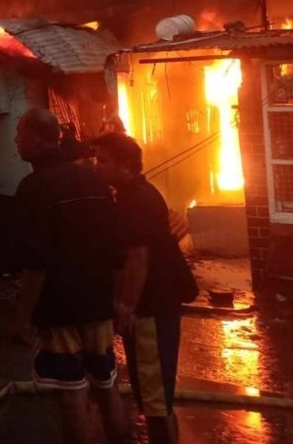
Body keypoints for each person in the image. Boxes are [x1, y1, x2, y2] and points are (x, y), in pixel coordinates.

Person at [4, 108, 133, 444]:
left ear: (35, 138)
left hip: (60, 312)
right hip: (99, 305)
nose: (15, 139)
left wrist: (22, 318)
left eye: (19, 132)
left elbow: (36, 264)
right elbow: (116, 248)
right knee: (107, 387)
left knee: (72, 394)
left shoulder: (33, 188)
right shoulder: (94, 180)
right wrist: (118, 301)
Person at [93, 134, 200, 444]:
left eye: (104, 161)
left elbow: (137, 257)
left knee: (155, 398)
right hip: (156, 305)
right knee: (153, 393)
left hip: (152, 309)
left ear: (125, 165)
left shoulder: (134, 200)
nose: (97, 167)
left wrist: (125, 306)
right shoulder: (138, 194)